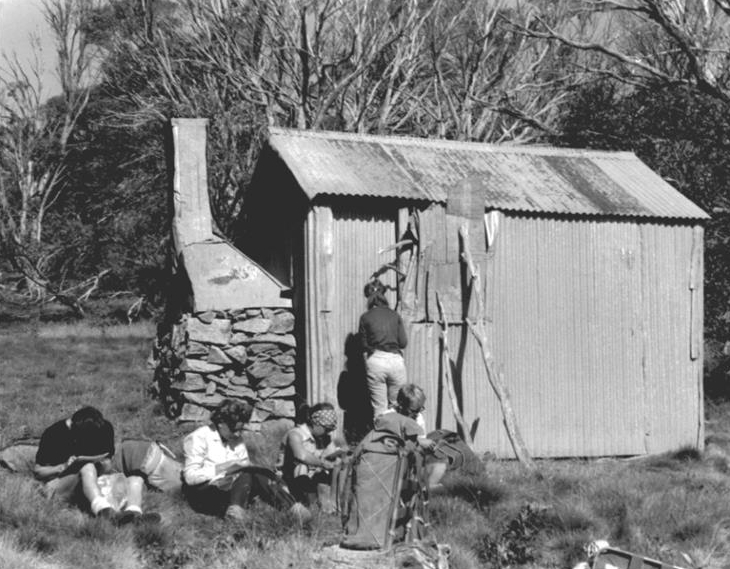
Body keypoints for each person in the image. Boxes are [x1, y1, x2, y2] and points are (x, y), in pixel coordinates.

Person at [34, 406, 160, 524]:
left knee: (136, 479)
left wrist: (104, 465)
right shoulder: (54, 434)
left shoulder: (103, 429)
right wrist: (62, 467)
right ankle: (103, 511)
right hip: (61, 483)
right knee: (87, 467)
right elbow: (38, 471)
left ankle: (135, 514)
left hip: (93, 480)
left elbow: (108, 460)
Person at [182, 399, 299, 522]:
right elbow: (190, 477)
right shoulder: (198, 438)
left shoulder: (236, 438)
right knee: (245, 474)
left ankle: (293, 509)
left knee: (257, 474)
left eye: (240, 429)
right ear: (221, 423)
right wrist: (223, 467)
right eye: (234, 430)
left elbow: (245, 468)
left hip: (232, 488)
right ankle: (235, 515)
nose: (237, 434)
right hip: (207, 492)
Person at [375, 384, 447, 489]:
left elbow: (421, 441)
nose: (417, 413)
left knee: (440, 462)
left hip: (410, 458)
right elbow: (386, 442)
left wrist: (429, 447)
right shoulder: (387, 417)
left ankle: (424, 484)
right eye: (413, 410)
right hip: (391, 460)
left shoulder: (418, 418)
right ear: (400, 404)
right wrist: (418, 441)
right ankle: (414, 485)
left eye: (420, 409)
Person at [358, 278, 408, 421]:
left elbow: (363, 345)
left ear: (368, 297)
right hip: (395, 361)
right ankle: (398, 440)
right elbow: (403, 342)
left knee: (379, 408)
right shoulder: (394, 315)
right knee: (397, 405)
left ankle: (381, 441)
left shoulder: (365, 317)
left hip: (376, 361)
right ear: (384, 295)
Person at [280, 402, 343, 511]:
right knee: (301, 467)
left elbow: (338, 448)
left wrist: (338, 451)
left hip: (311, 477)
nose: (328, 432)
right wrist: (323, 463)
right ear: (316, 423)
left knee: (340, 458)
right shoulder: (295, 434)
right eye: (327, 429)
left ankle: (334, 504)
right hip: (288, 479)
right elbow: (301, 455)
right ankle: (307, 504)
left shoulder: (320, 438)